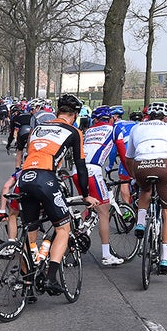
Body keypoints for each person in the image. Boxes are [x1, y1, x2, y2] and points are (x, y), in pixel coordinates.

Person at [17, 94, 99, 295]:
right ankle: (51, 278)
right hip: (45, 178)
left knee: (30, 232)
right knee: (63, 228)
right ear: (75, 115)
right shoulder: (74, 131)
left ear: (57, 111)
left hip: (25, 177)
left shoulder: (37, 128)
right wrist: (85, 195)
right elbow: (81, 168)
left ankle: (27, 287)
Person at [126, 101, 167, 274]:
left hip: (140, 165)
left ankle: (140, 224)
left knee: (145, 190)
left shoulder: (136, 128)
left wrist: (134, 177)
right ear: (166, 117)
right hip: (164, 165)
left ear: (148, 115)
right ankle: (165, 259)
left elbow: (129, 158)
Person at [74, 106, 124, 266]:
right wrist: (130, 173)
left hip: (77, 170)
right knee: (103, 211)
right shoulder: (114, 129)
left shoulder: (88, 131)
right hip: (93, 171)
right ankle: (106, 255)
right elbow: (122, 153)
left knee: (90, 204)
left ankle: (76, 236)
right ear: (111, 119)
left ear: (94, 120)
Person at [6, 105, 33, 169]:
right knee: (30, 150)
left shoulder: (16, 118)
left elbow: (12, 132)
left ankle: (17, 167)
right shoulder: (32, 117)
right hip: (31, 134)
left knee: (19, 150)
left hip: (22, 133)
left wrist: (9, 144)